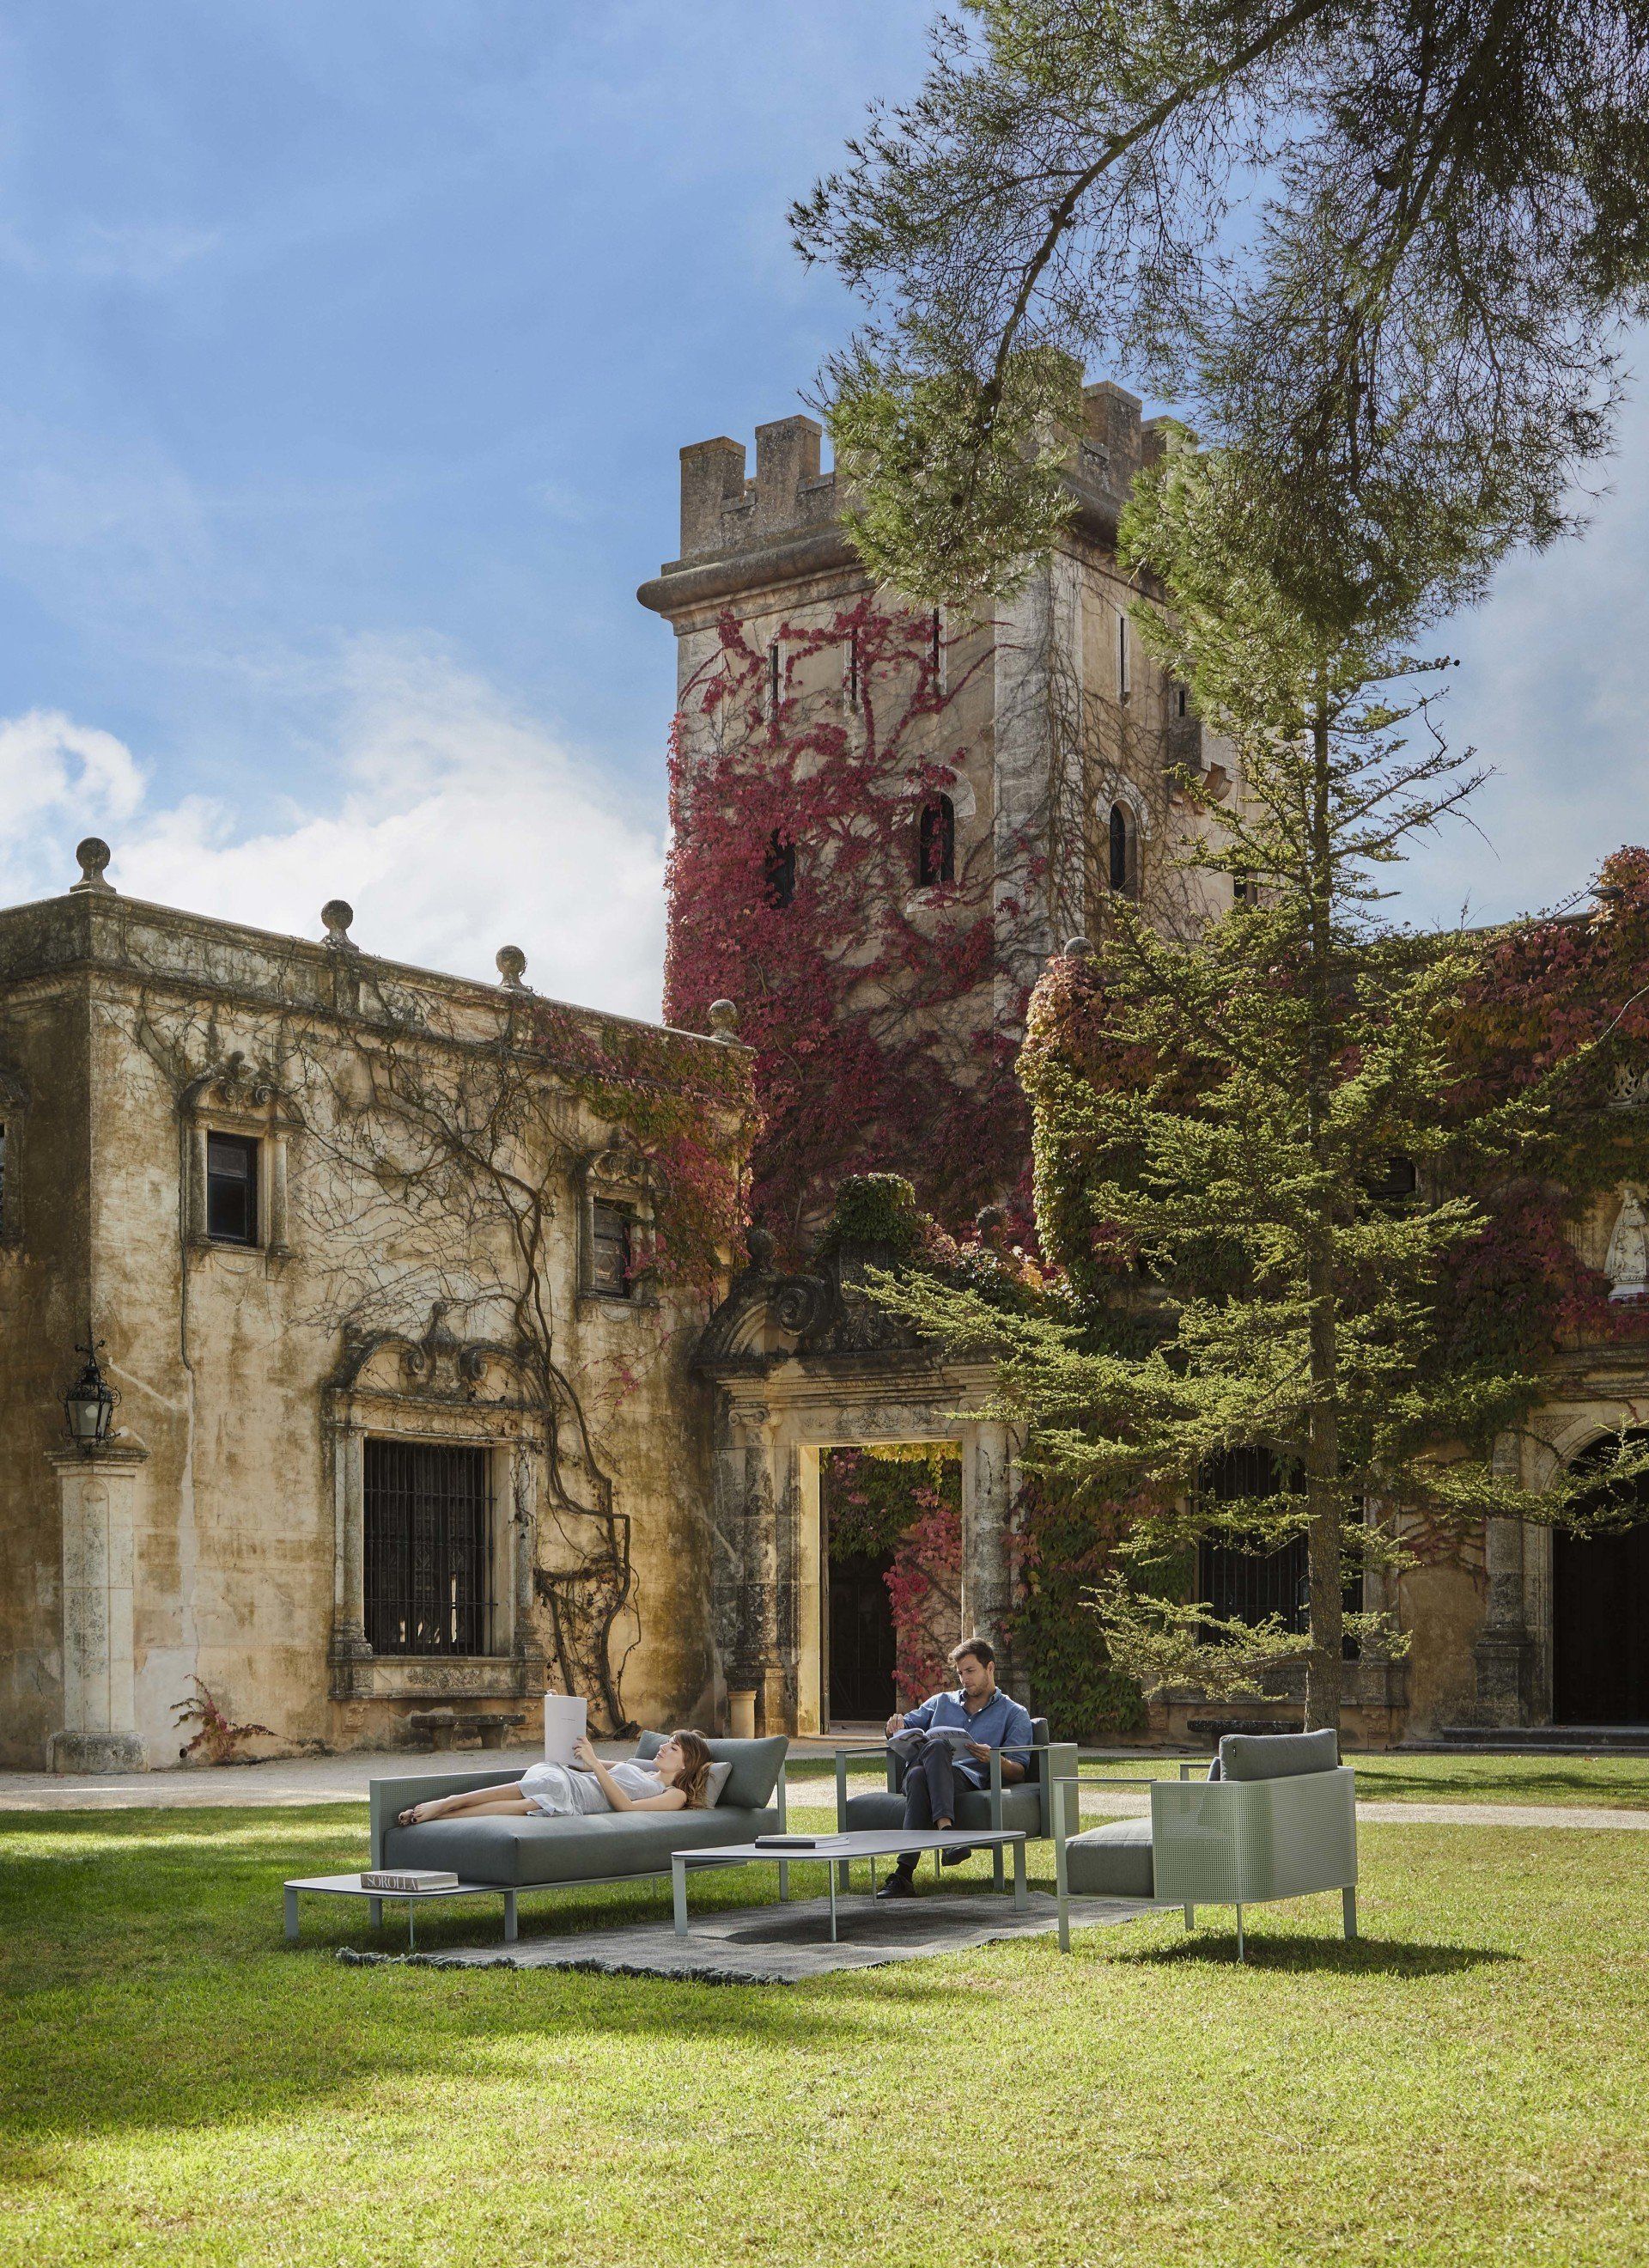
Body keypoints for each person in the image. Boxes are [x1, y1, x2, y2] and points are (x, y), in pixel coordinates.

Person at [875, 1637, 1034, 1899]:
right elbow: (906, 1725)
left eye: (970, 1671)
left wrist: (993, 1759)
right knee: (935, 1748)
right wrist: (893, 1724)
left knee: (917, 1776)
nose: (965, 1679)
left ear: (990, 1668)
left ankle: (903, 1876)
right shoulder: (941, 1702)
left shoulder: (1014, 1713)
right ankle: (949, 1835)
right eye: (961, 1673)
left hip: (965, 1778)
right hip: (929, 1766)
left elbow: (1019, 1769)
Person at [397, 1730, 712, 1825]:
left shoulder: (676, 1795)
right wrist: (562, 1714)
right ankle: (449, 1806)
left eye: (673, 1748)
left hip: (577, 1799)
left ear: (686, 1764)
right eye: (667, 1742)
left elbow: (626, 1808)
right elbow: (583, 1760)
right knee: (545, 1785)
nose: (663, 1747)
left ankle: (445, 1810)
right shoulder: (641, 1768)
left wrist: (594, 1763)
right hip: (566, 1783)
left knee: (536, 1797)